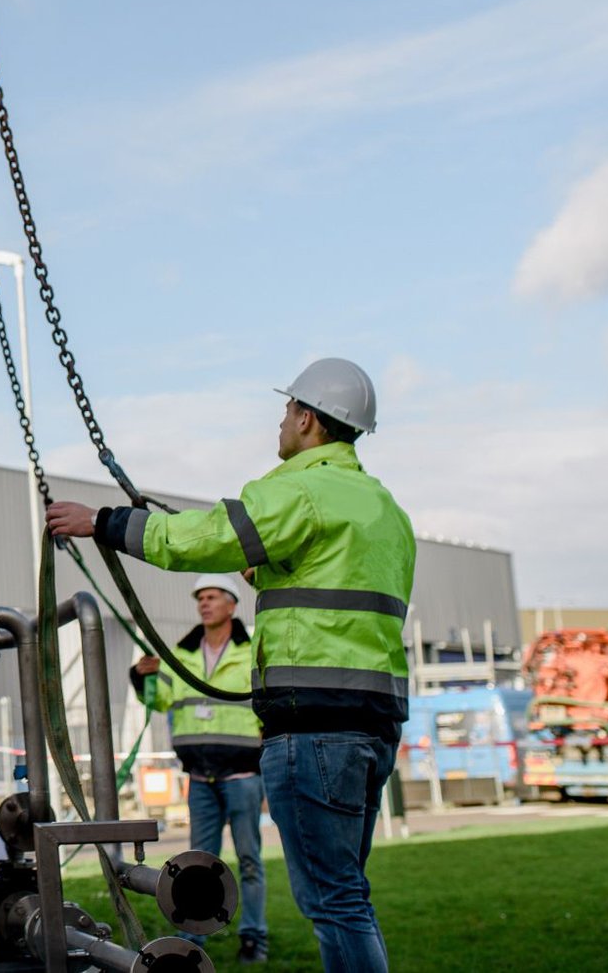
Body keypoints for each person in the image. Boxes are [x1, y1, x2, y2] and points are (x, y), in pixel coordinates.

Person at [49, 358, 413, 973]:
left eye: (285, 412)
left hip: (312, 730)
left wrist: (102, 523)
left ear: (306, 418)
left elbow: (203, 538)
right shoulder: (384, 510)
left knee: (333, 902)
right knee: (348, 894)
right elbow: (335, 593)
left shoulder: (299, 488)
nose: (279, 424)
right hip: (372, 729)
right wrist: (269, 570)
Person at [132, 574, 268, 964]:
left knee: (249, 860)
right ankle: (193, 939)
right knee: (196, 865)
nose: (204, 604)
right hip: (201, 776)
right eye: (200, 598)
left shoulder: (253, 649)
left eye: (212, 597)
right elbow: (162, 702)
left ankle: (254, 937)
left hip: (242, 774)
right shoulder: (182, 654)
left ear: (231, 604)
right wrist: (143, 679)